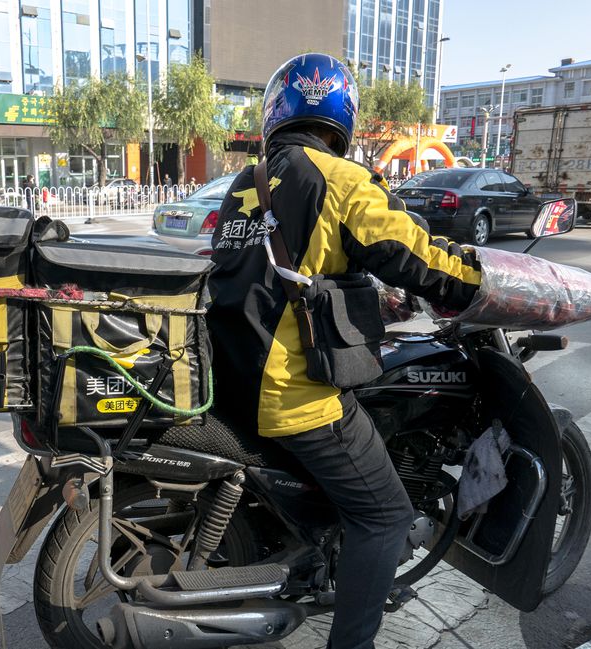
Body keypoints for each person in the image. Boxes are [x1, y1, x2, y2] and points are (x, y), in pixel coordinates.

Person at [207, 53, 483, 649]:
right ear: (343, 115)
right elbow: (410, 252)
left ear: (275, 112)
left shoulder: (246, 182)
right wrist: (477, 281)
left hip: (231, 374)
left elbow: (275, 270)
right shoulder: (339, 178)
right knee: (383, 517)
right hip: (290, 392)